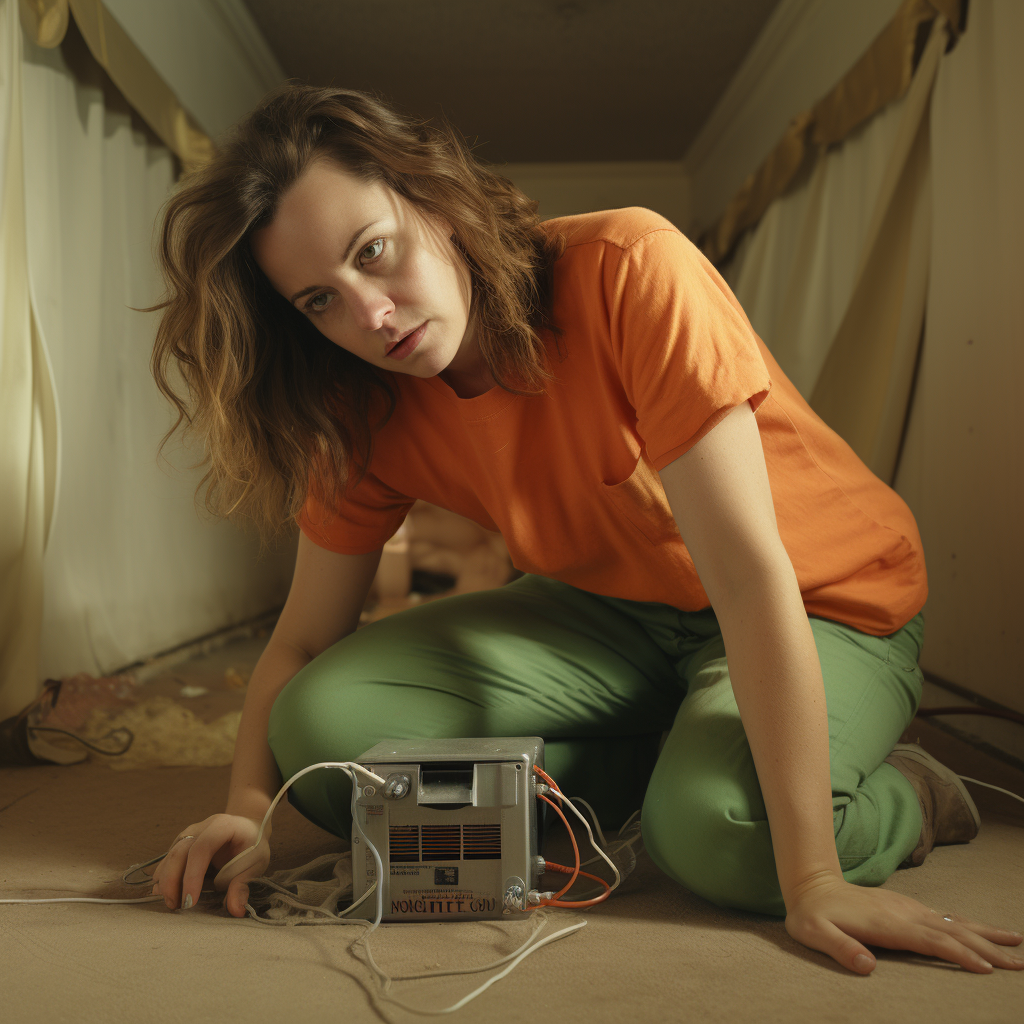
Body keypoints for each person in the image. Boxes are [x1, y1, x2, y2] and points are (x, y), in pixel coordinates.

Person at [146, 84, 1023, 976]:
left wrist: (812, 879)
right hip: (607, 611)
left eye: (374, 252)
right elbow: (301, 638)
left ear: (438, 202)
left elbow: (752, 580)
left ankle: (915, 795)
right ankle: (674, 757)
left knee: (720, 838)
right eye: (318, 301)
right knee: (324, 729)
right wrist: (247, 808)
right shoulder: (356, 404)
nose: (370, 314)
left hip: (820, 596)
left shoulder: (630, 266)